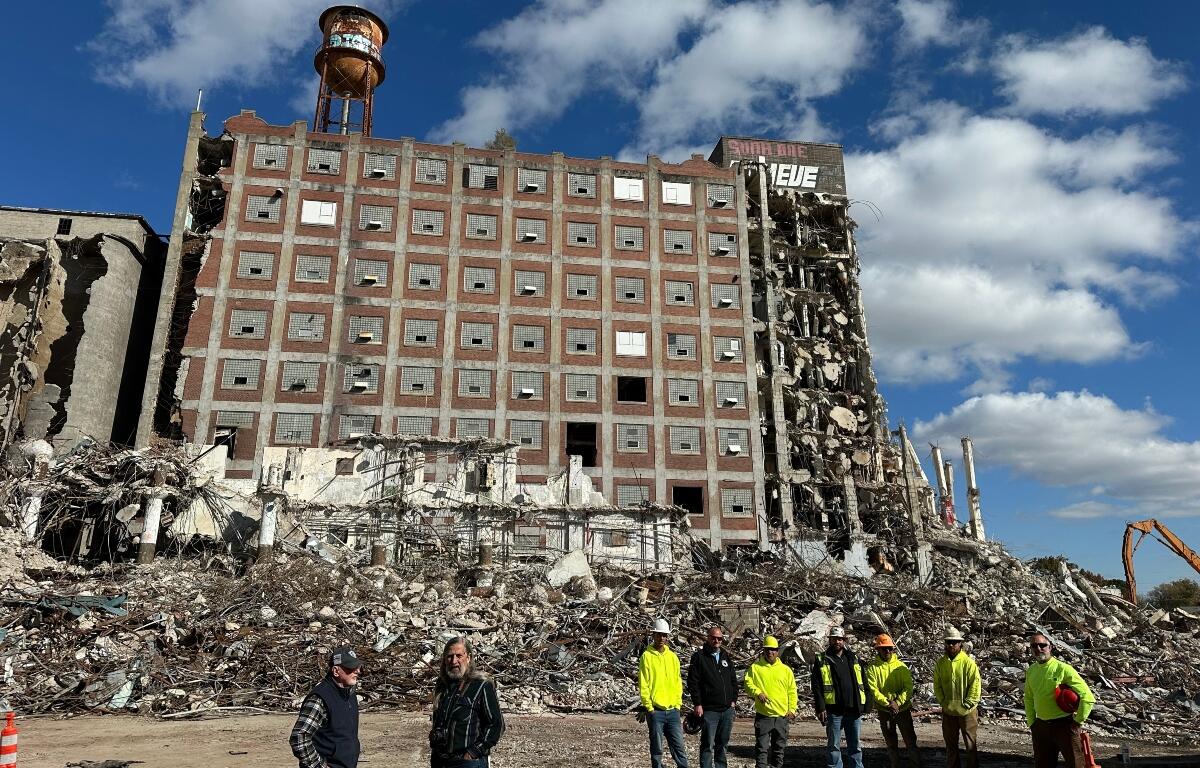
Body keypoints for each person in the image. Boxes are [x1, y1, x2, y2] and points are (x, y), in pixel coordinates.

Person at [429, 637, 505, 768]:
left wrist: (474, 752)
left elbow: (496, 725)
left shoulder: (481, 685)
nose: (454, 661)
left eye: (459, 656)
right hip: (440, 761)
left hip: (467, 762)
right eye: (449, 657)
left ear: (468, 658)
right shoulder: (442, 685)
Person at [1023, 632, 1095, 768]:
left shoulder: (1063, 669)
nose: (1038, 649)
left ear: (1050, 647)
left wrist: (1078, 722)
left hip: (1064, 726)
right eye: (1034, 646)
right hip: (1041, 727)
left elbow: (1088, 697)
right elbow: (1028, 697)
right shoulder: (1031, 671)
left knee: (1076, 765)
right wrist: (1032, 723)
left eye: (1042, 645)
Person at [290, 646, 363, 768]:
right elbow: (299, 737)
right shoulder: (320, 698)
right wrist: (319, 765)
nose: (357, 671)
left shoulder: (350, 694)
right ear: (336, 671)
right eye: (351, 668)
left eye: (357, 667)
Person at [811, 626, 866, 768]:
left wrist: (867, 703)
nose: (837, 641)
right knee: (834, 747)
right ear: (830, 640)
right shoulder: (822, 659)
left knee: (855, 746)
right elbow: (816, 685)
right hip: (834, 711)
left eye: (840, 639)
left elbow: (863, 681)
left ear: (844, 640)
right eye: (834, 639)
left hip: (853, 710)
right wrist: (820, 706)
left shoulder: (853, 658)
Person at [864, 634, 921, 768]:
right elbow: (873, 690)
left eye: (890, 648)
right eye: (884, 649)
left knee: (910, 741)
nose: (888, 651)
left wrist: (898, 703)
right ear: (878, 650)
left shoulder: (901, 667)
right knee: (891, 743)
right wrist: (888, 704)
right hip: (885, 711)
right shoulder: (872, 668)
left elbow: (908, 687)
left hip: (902, 710)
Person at [639, 618, 689, 768]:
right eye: (659, 635)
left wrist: (678, 705)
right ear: (653, 635)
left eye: (664, 635)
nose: (661, 638)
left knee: (679, 747)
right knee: (657, 749)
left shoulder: (672, 657)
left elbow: (677, 682)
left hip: (673, 710)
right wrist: (649, 708)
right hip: (656, 711)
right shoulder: (646, 657)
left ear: (668, 637)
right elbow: (644, 684)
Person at [686, 625, 738, 768]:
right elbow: (693, 682)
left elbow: (733, 680)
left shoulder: (725, 656)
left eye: (719, 638)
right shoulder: (699, 657)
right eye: (713, 637)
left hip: (727, 710)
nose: (716, 640)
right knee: (708, 744)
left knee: (722, 743)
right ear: (708, 638)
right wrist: (697, 703)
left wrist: (733, 701)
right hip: (709, 710)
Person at [743, 635, 797, 768]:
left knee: (779, 751)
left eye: (773, 649)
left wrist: (792, 709)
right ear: (763, 651)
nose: (770, 652)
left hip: (781, 717)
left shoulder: (786, 670)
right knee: (762, 749)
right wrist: (757, 692)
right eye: (767, 649)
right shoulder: (756, 668)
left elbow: (792, 691)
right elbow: (747, 684)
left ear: (777, 651)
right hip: (764, 716)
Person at [933, 627, 981, 768]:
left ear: (960, 644)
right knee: (951, 746)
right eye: (949, 642)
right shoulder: (941, 663)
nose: (952, 645)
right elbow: (937, 684)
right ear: (945, 644)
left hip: (967, 712)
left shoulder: (968, 663)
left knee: (970, 745)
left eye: (954, 642)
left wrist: (968, 704)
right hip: (948, 711)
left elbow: (975, 685)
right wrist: (943, 702)